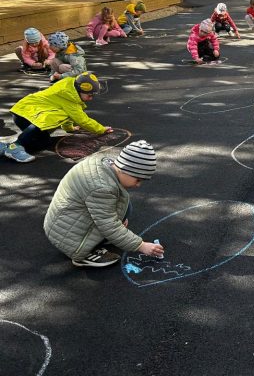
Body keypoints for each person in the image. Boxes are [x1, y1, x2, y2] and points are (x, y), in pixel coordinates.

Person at [43, 140, 164, 268]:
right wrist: (141, 246)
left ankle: (101, 239)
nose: (138, 185)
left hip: (63, 221)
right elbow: (108, 225)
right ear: (124, 169)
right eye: (138, 179)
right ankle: (82, 254)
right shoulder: (102, 188)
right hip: (67, 236)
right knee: (109, 222)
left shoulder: (103, 163)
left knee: (124, 205)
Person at [2, 72, 111, 163]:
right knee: (50, 119)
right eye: (89, 95)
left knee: (43, 143)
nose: (91, 98)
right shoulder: (69, 99)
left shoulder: (70, 90)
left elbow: (69, 114)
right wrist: (101, 129)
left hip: (23, 112)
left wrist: (69, 128)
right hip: (26, 114)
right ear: (79, 90)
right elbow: (82, 120)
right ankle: (15, 146)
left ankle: (3, 147)